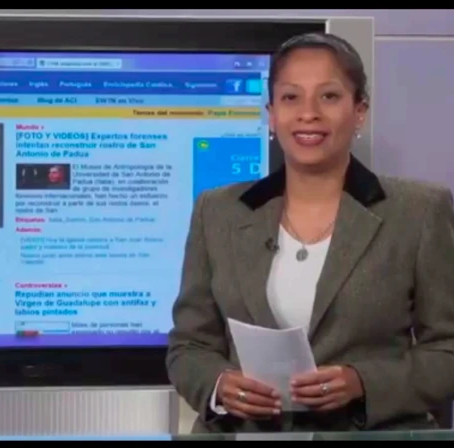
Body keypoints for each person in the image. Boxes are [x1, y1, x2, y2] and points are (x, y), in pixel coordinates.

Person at [166, 32, 454, 433]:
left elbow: (446, 349)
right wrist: (219, 385)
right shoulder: (217, 211)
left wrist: (363, 383)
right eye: (291, 98)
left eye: (329, 96)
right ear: (271, 113)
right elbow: (189, 346)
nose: (308, 114)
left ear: (359, 111)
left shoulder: (419, 212)